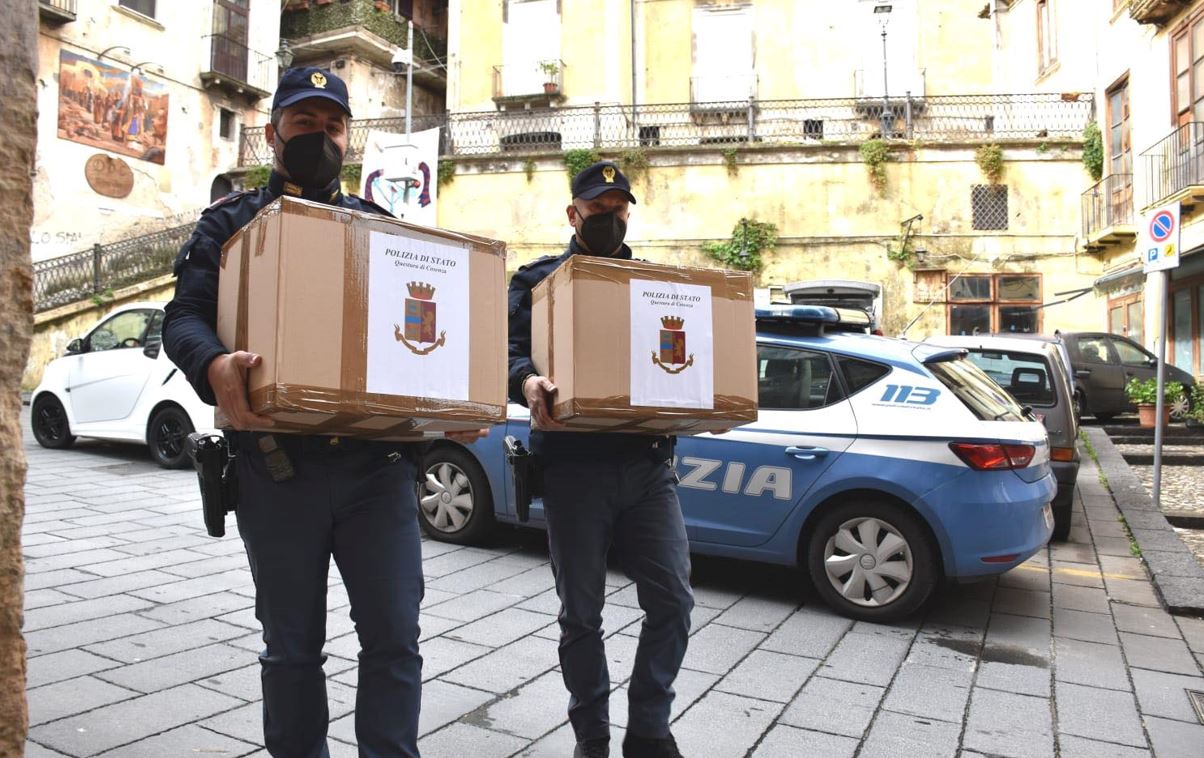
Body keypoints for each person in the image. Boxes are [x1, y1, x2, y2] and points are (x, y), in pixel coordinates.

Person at [163, 67, 457, 758]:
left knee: (395, 639)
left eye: (333, 127)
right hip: (278, 470)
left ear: (348, 139)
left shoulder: (380, 229)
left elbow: (413, 340)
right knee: (291, 648)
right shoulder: (229, 224)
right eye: (304, 124)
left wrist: (448, 402)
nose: (320, 138)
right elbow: (184, 317)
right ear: (273, 134)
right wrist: (213, 363)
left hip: (378, 471)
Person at [507, 161, 693, 758]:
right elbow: (504, 351)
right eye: (598, 209)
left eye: (619, 210)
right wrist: (526, 380)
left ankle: (648, 727)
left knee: (673, 601)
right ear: (573, 214)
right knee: (582, 614)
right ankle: (592, 736)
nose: (610, 218)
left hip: (647, 465)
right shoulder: (538, 282)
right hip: (573, 468)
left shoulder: (654, 285)